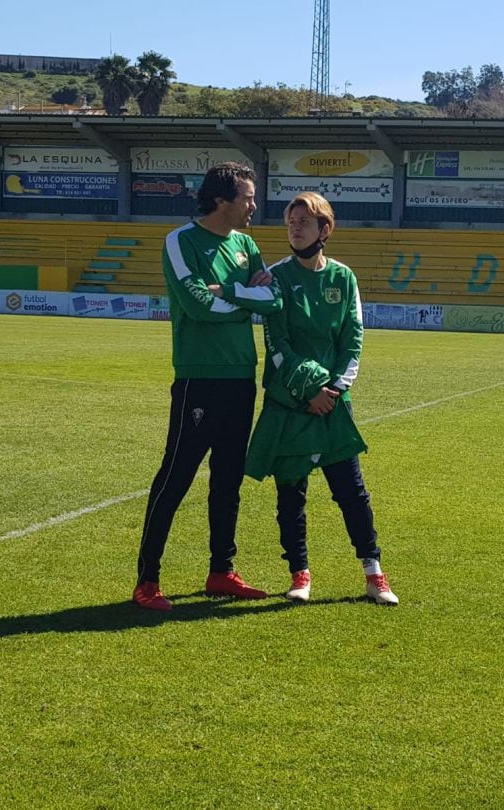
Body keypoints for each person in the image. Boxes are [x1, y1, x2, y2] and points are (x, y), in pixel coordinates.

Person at [134, 162, 283, 612]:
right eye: (248, 198)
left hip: (241, 378)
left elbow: (272, 300)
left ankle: (222, 571)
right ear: (222, 200)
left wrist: (227, 291)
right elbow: (197, 306)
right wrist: (243, 296)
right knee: (175, 478)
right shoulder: (181, 241)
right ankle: (147, 581)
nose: (255, 205)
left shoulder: (246, 244)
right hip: (199, 378)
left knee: (227, 482)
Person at [244, 192, 398, 606]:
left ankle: (374, 574)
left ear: (324, 229)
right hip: (291, 403)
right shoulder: (275, 277)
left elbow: (354, 338)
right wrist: (308, 389)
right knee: (290, 493)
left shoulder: (344, 278)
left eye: (304, 221)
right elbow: (278, 344)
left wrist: (335, 389)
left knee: (352, 492)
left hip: (333, 403)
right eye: (291, 221)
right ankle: (300, 573)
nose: (295, 227)